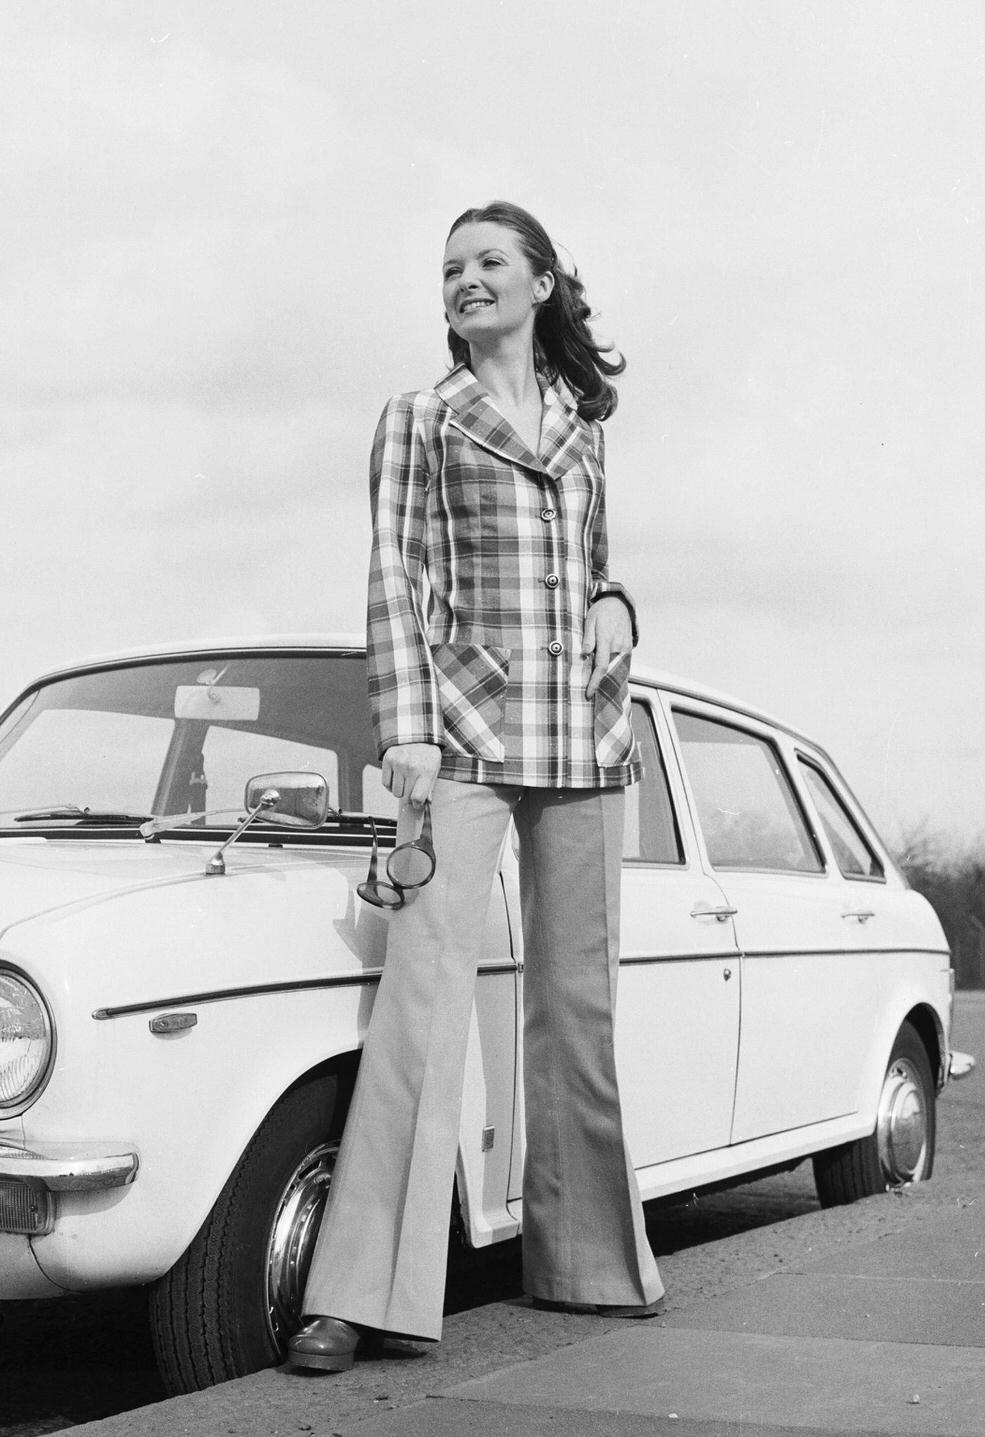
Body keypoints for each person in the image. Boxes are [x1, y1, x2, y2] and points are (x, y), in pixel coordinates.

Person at [287, 201, 663, 1373]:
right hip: (462, 733)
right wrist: (402, 729)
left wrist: (617, 603)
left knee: (579, 1015)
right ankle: (357, 1294)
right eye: (449, 268)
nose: (464, 280)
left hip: (586, 744)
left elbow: (594, 564)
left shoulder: (583, 427)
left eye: (489, 262)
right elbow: (393, 580)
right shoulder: (418, 418)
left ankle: (588, 1265)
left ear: (542, 283)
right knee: (420, 1013)